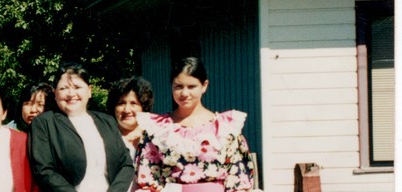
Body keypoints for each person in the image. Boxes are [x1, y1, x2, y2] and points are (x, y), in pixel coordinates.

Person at [134, 57, 254, 192]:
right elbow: (148, 176)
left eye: (191, 86)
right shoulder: (157, 130)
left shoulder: (224, 129)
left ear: (204, 86)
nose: (184, 93)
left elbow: (238, 176)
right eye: (178, 86)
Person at [28, 62, 135, 192]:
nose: (71, 93)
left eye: (77, 87)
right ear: (55, 93)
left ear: (89, 91)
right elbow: (43, 170)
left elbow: (126, 164)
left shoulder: (107, 121)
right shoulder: (44, 123)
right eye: (63, 88)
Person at [106, 76, 154, 157]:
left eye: (133, 103)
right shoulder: (105, 140)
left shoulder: (154, 139)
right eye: (121, 103)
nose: (127, 110)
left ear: (143, 107)